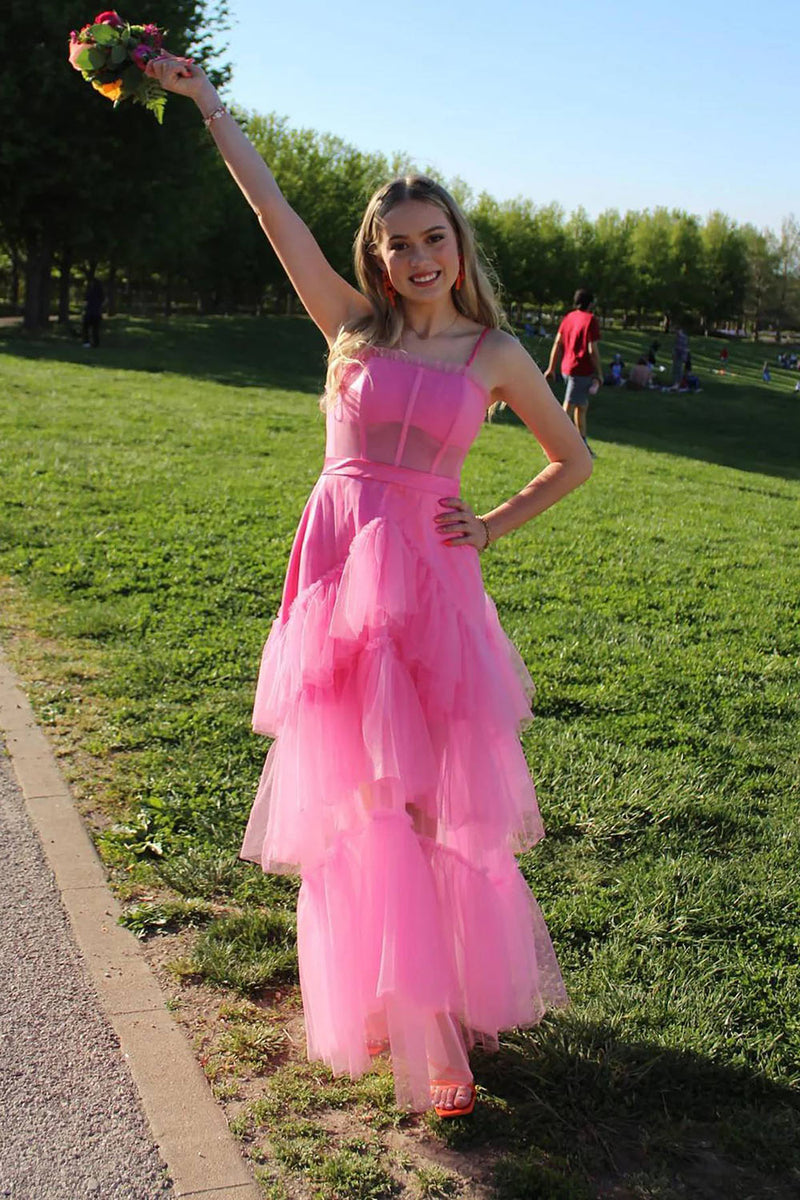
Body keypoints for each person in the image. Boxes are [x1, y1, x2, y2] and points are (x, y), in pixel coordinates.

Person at [146, 54, 591, 1118]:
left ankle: (444, 1007)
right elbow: (271, 210)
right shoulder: (350, 327)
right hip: (339, 575)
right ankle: (411, 1020)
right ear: (375, 256)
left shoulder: (494, 353)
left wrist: (487, 522)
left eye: (433, 238)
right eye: (397, 243)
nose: (417, 256)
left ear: (457, 245)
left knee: (437, 806)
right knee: (361, 801)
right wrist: (209, 105)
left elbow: (569, 460)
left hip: (431, 588)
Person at [544, 289, 602, 456]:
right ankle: (554, 444)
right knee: (569, 406)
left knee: (581, 406)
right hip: (580, 369)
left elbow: (557, 343)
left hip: (566, 368)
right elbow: (592, 350)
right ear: (590, 303)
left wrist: (551, 367)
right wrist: (599, 372)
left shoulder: (569, 317)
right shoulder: (590, 320)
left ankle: (582, 445)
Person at [82, 277, 104, 348]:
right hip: (97, 313)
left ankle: (86, 342)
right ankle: (96, 343)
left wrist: (84, 310)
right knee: (95, 330)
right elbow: (103, 302)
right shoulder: (101, 293)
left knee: (86, 328)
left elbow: (86, 302)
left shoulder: (90, 292)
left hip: (89, 313)